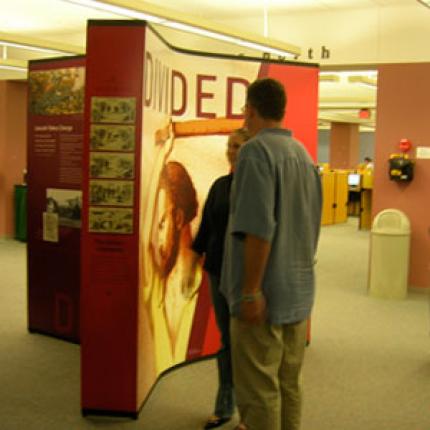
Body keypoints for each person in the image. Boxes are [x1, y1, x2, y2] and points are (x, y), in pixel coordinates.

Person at [220, 78, 322, 430]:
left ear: (249, 109)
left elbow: (258, 229)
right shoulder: (305, 157)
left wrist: (250, 290)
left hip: (262, 297)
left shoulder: (254, 153)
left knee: (259, 390)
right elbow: (312, 229)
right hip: (298, 294)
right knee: (289, 383)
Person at [186, 128, 250, 430]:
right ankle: (224, 405)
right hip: (217, 271)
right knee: (227, 341)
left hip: (247, 277)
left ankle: (250, 414)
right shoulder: (220, 186)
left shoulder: (257, 187)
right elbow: (207, 229)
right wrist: (192, 264)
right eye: (229, 145)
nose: (230, 150)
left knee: (247, 344)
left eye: (236, 145)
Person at [147, 160, 201, 375]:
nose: (157, 240)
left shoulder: (203, 284)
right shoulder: (157, 286)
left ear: (178, 218)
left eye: (161, 225)